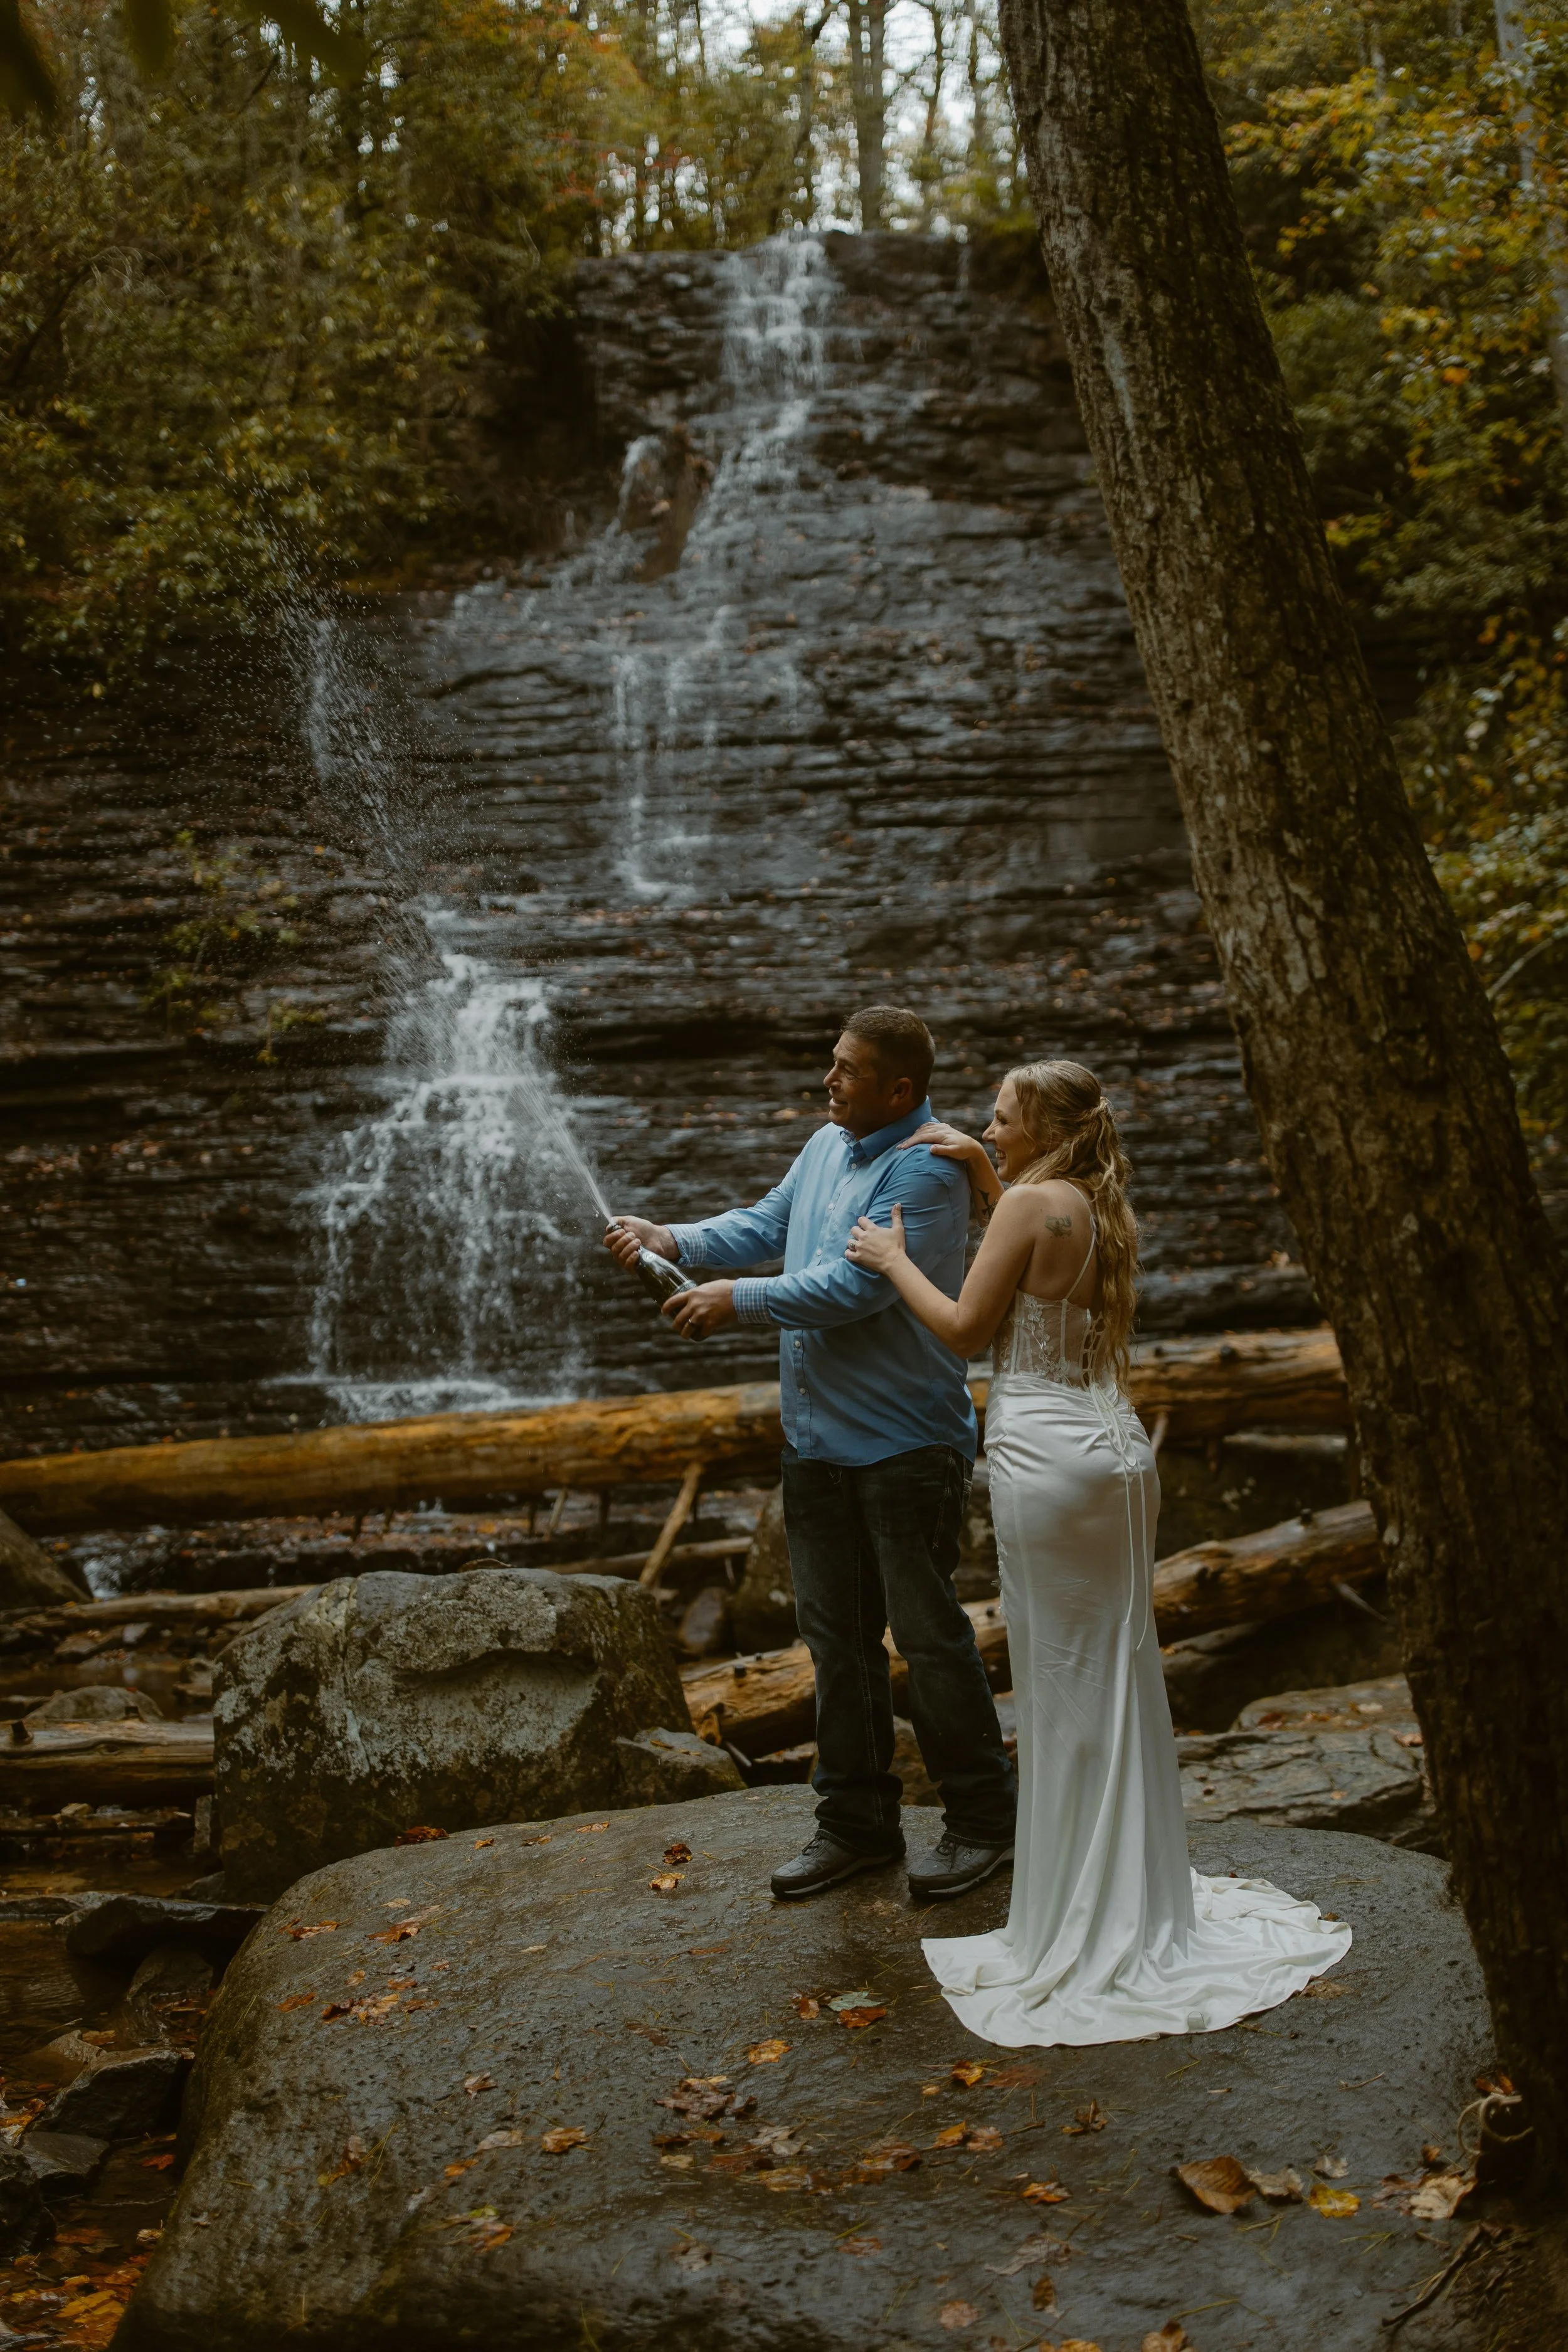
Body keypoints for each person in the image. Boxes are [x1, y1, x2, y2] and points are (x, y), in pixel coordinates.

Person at [845, 1058, 1351, 2045]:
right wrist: (989, 1177)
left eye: (999, 1121)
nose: (985, 1131)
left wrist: (887, 1254)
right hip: (1116, 1454)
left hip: (1044, 1458)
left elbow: (963, 1329)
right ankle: (1140, 1897)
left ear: (1043, 1129)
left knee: (1061, 1683)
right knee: (1119, 1674)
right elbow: (1038, 1246)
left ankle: (1076, 1917)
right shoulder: (1100, 1203)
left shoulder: (1034, 1202)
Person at [604, 1005, 1017, 1902]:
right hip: (817, 1443)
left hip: (907, 1444)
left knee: (928, 1634)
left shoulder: (932, 1168)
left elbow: (857, 1288)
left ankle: (985, 1820)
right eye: (830, 1064)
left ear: (898, 1088)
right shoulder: (829, 1143)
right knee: (836, 1638)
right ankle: (857, 1824)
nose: (827, 1080)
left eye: (845, 1070)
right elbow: (767, 1223)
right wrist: (673, 1240)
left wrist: (736, 1302)